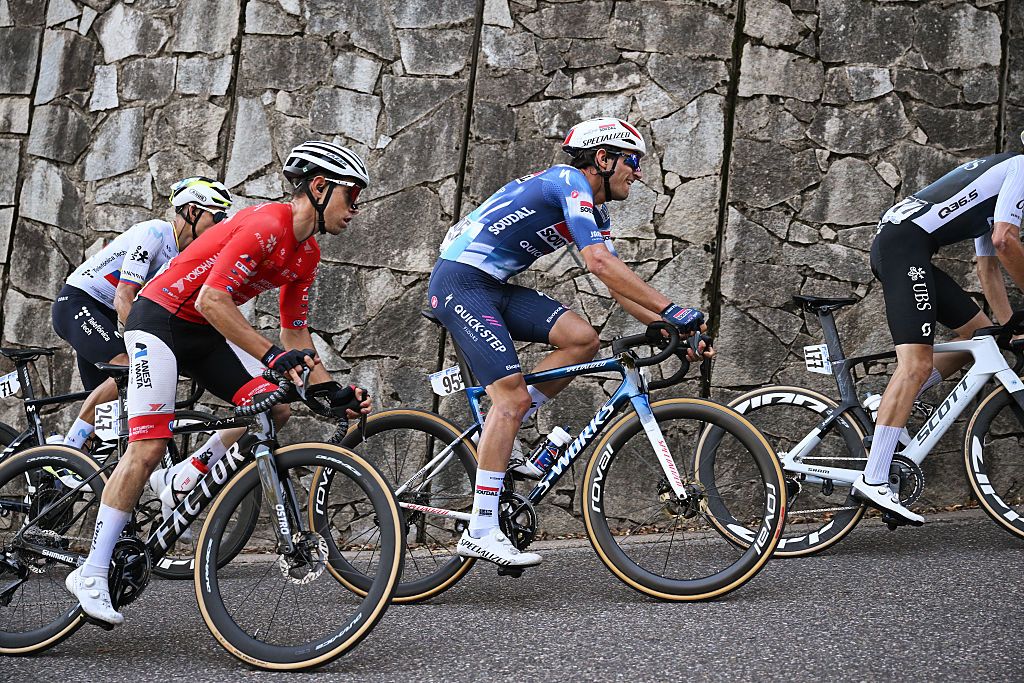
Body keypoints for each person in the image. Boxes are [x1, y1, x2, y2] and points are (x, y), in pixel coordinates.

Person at [65, 141, 372, 625]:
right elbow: (212, 299)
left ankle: (184, 476)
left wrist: (327, 387)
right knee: (146, 448)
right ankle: (91, 570)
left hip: (203, 333)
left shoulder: (306, 253)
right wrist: (271, 355)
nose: (355, 210)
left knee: (274, 406)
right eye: (351, 197)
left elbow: (295, 332)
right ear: (319, 187)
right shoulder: (265, 224)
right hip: (159, 321)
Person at [428, 118, 713, 568]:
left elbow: (618, 287)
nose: (637, 173)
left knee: (582, 339)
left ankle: (502, 421)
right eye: (632, 161)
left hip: (494, 286)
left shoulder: (593, 209)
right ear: (603, 158)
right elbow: (598, 262)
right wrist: (673, 307)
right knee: (510, 397)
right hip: (460, 283)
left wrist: (671, 328)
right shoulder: (567, 182)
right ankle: (481, 527)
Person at [861, 135, 1024, 525]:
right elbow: (1005, 242)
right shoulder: (1021, 169)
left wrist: (1009, 328)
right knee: (914, 364)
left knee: (980, 337)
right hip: (903, 246)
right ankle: (874, 478)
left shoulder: (1005, 179)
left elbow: (987, 266)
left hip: (906, 243)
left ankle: (883, 403)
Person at [52, 177, 232, 450]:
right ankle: (68, 450)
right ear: (193, 212)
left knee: (110, 422)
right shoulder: (156, 233)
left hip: (104, 315)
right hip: (78, 303)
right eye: (216, 217)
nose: (220, 226)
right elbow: (124, 296)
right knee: (129, 368)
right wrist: (145, 348)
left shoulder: (185, 253)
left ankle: (66, 476)